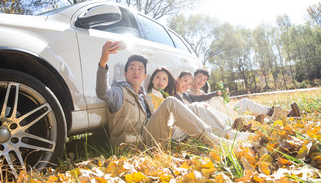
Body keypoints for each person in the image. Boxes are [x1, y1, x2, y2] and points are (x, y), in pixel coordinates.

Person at [96, 41, 249, 149]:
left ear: (144, 76)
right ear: (125, 73)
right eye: (132, 68)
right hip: (133, 145)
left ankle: (229, 134)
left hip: (154, 136)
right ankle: (214, 141)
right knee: (170, 102)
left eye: (140, 69)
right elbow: (103, 92)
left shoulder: (144, 97)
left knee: (196, 107)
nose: (136, 71)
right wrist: (103, 62)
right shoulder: (119, 92)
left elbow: (157, 119)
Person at [188, 69, 301, 129]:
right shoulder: (189, 92)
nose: (201, 81)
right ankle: (279, 118)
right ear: (193, 77)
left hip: (228, 111)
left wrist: (223, 96)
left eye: (204, 80)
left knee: (245, 102)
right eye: (199, 77)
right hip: (220, 117)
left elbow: (224, 103)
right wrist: (215, 95)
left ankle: (277, 113)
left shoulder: (203, 91)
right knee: (248, 118)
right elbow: (203, 104)